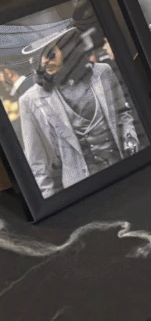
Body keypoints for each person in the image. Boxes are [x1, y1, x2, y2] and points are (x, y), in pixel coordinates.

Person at [18, 26, 142, 198]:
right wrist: (53, 202)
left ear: (68, 50)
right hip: (82, 190)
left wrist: (129, 135)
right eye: (39, 58)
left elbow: (123, 112)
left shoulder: (103, 72)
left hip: (125, 171)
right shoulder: (29, 101)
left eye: (50, 54)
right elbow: (36, 162)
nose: (44, 62)